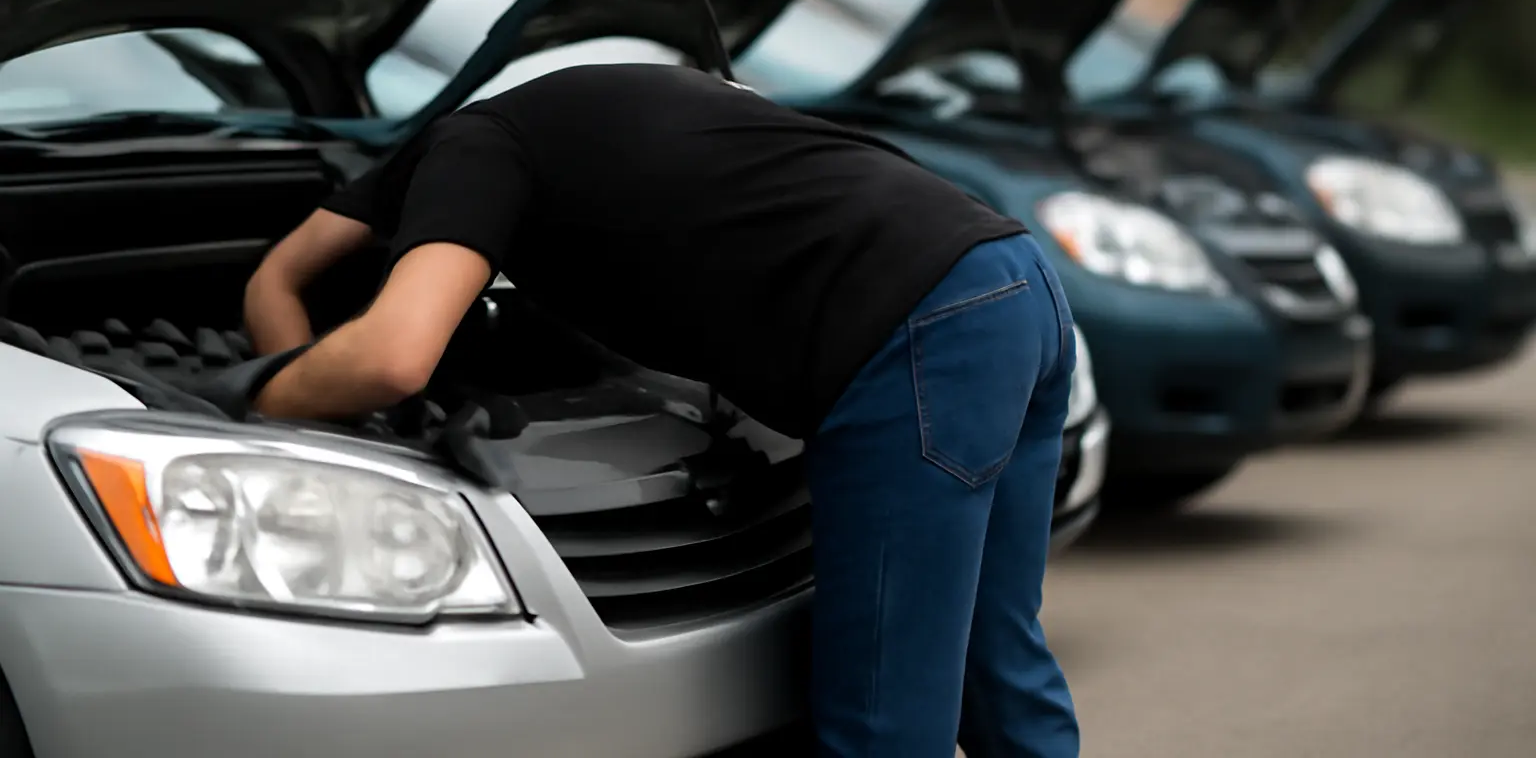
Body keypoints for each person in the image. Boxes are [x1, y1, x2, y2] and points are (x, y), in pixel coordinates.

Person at [243, 62, 1080, 757]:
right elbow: (284, 277)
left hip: (916, 335)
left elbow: (389, 352)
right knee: (995, 658)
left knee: (883, 716)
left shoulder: (473, 144)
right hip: (1015, 286)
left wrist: (259, 401)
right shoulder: (597, 110)